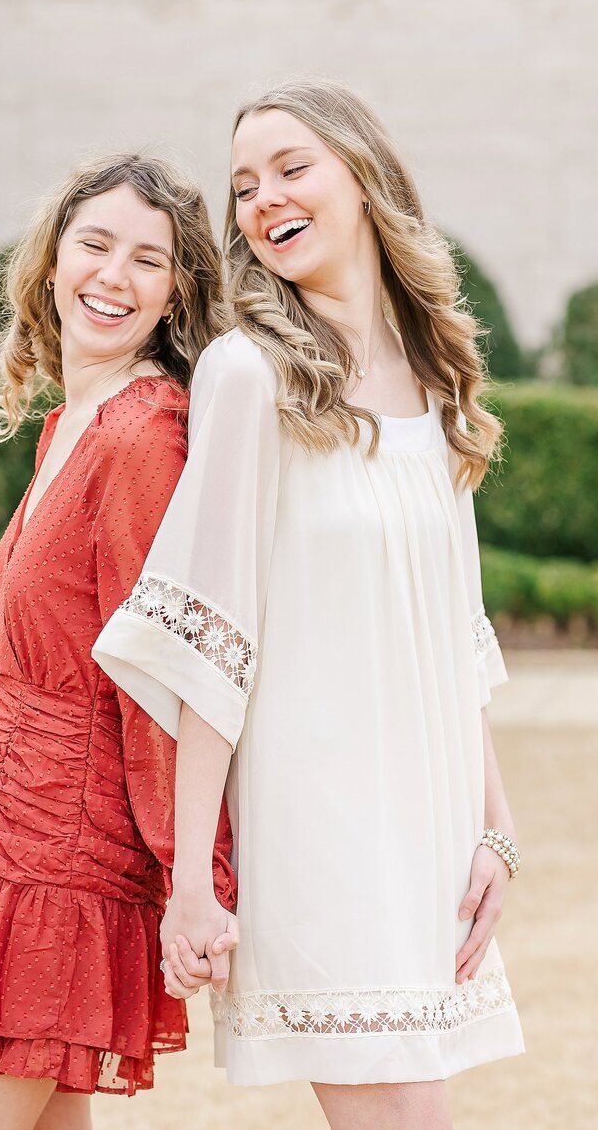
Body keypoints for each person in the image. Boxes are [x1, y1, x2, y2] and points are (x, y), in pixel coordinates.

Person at [93, 81, 525, 1129]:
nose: (260, 199)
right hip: (317, 826)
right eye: (243, 184)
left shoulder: (435, 377)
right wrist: (192, 877)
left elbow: (449, 630)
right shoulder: (248, 374)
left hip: (425, 825)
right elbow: (210, 635)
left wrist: (493, 826)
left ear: (363, 179)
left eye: (289, 168)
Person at [0, 153, 236, 1130]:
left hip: (62, 865)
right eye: (94, 245)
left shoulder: (143, 436)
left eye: (147, 260)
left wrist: (193, 884)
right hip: (9, 838)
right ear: (51, 262)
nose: (113, 276)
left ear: (177, 293)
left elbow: (164, 674)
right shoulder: (70, 424)